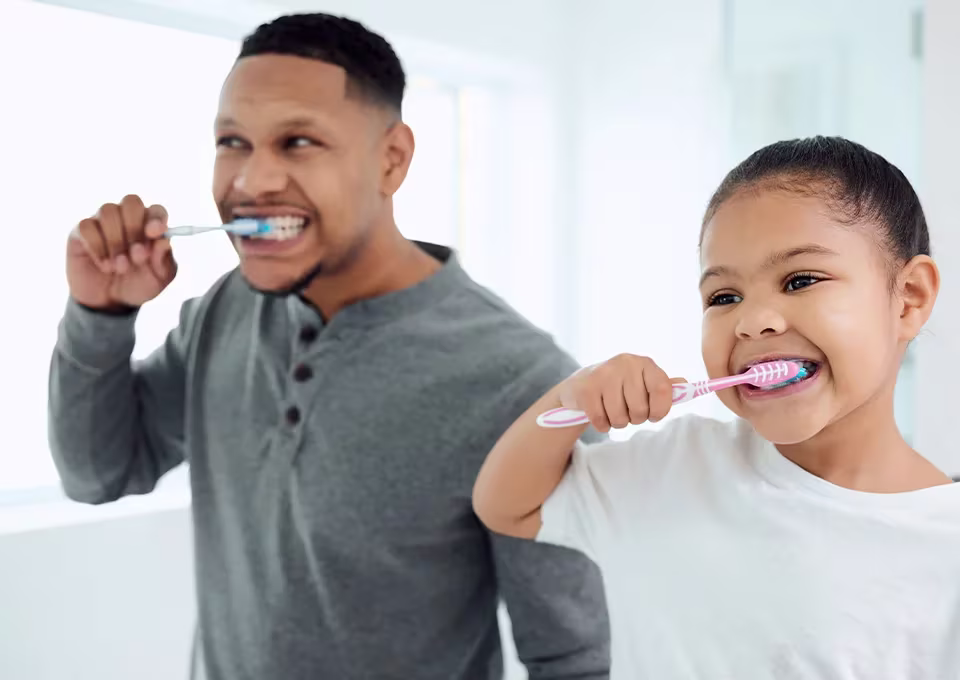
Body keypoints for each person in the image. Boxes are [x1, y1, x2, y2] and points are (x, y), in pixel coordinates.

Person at [48, 13, 609, 680]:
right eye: (233, 141)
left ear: (392, 159)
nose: (252, 181)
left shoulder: (524, 383)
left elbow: (573, 659)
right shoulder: (225, 310)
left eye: (298, 141)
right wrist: (99, 312)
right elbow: (98, 474)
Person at [474, 137, 960, 678]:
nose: (753, 321)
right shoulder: (672, 467)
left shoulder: (945, 548)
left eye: (800, 280)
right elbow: (507, 507)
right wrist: (572, 396)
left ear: (909, 297)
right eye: (723, 297)